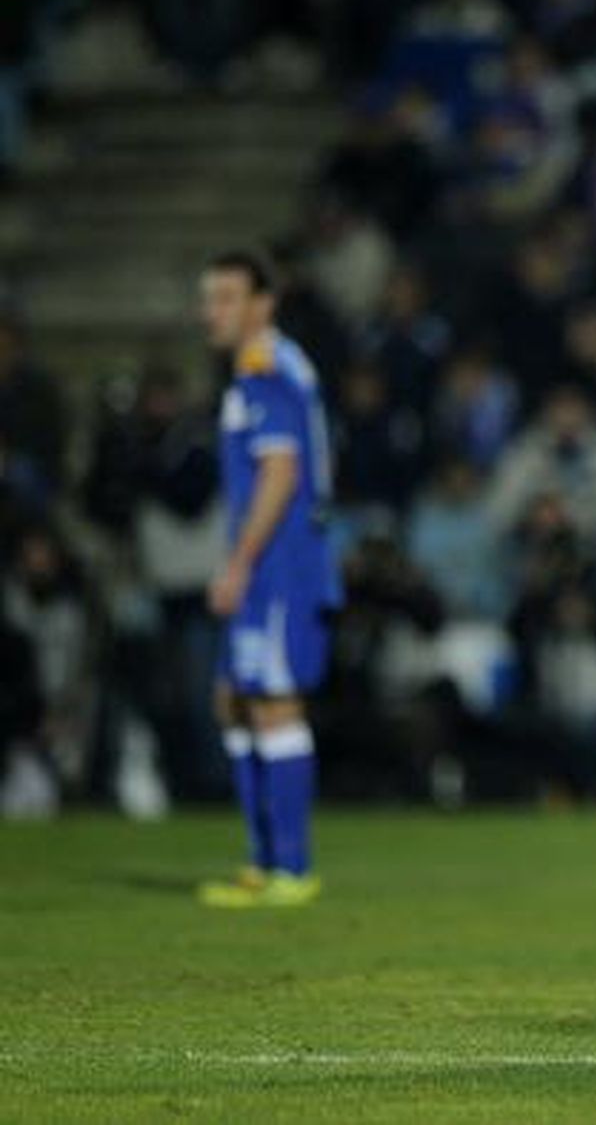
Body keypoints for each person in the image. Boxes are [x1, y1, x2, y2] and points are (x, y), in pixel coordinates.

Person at [197, 251, 344, 909]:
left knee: (274, 703)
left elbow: (281, 473)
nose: (214, 311)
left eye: (228, 296)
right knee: (233, 698)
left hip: (281, 567)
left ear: (264, 302)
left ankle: (291, 866)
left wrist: (239, 563)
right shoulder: (266, 366)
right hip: (271, 565)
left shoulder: (264, 371)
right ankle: (262, 860)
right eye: (209, 298)